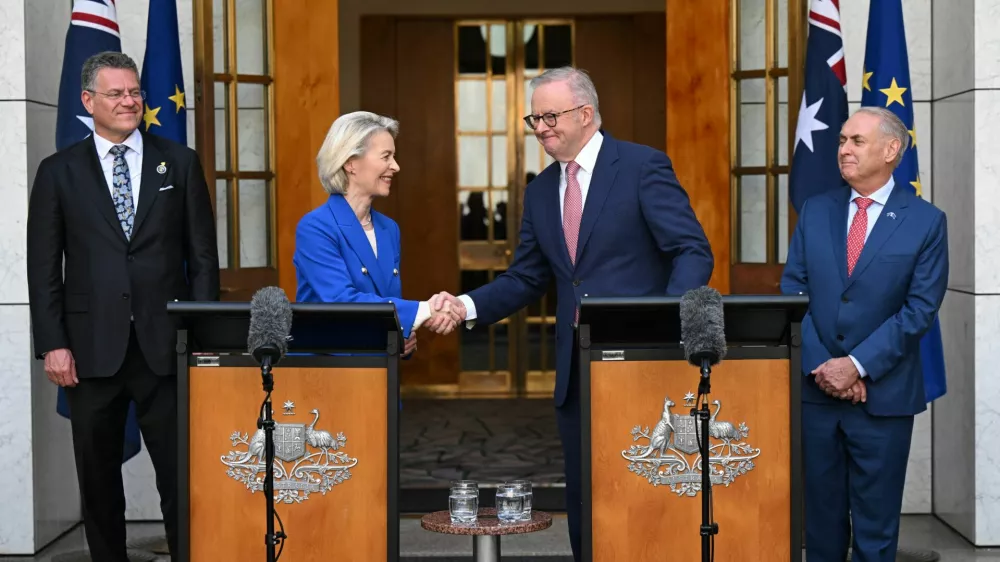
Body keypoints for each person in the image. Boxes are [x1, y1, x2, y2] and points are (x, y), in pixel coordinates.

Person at [427, 67, 714, 560]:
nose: (540, 128)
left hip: (641, 367)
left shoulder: (642, 166)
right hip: (576, 374)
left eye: (550, 116)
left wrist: (663, 324)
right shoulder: (541, 190)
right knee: (587, 501)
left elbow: (692, 251)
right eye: (533, 119)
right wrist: (464, 305)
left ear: (585, 114)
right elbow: (526, 277)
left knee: (645, 494)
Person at [26, 51, 219, 562]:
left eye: (135, 92)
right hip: (89, 351)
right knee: (98, 482)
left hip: (167, 347)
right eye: (116, 93)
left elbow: (203, 258)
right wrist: (53, 344)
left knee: (181, 477)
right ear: (88, 100)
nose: (129, 101)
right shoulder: (58, 171)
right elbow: (43, 268)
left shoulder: (178, 162)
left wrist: (201, 337)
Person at [780, 106, 948, 561]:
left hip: (883, 397)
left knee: (875, 533)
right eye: (841, 140)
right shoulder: (816, 210)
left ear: (891, 150)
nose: (844, 149)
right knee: (820, 529)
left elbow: (919, 310)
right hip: (816, 393)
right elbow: (793, 291)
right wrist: (825, 365)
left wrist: (855, 366)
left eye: (856, 140)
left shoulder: (926, 221)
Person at [293, 111, 461, 350]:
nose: (396, 166)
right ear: (350, 163)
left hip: (378, 367)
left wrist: (399, 341)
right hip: (330, 368)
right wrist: (424, 310)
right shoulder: (316, 228)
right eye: (386, 156)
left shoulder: (388, 228)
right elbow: (341, 302)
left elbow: (385, 304)